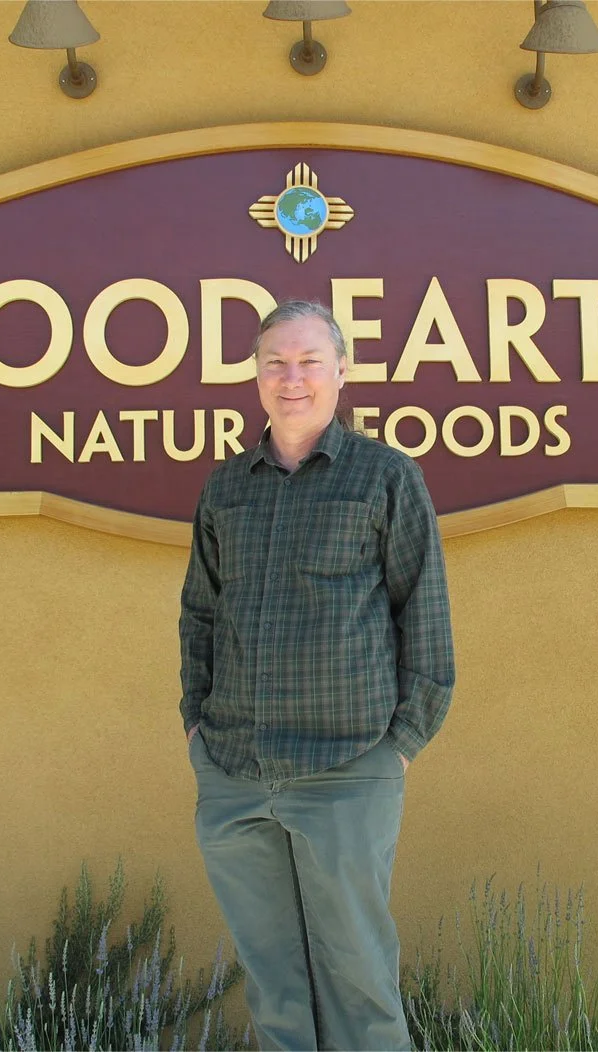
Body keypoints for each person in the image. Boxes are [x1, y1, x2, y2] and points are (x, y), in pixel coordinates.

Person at [179, 300, 455, 1051]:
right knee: (274, 984)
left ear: (342, 372)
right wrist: (199, 729)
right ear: (257, 374)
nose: (291, 378)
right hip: (236, 772)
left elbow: (423, 617)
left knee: (359, 978)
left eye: (308, 362)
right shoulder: (227, 488)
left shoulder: (386, 479)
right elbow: (200, 614)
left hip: (347, 768)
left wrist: (399, 744)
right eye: (275, 363)